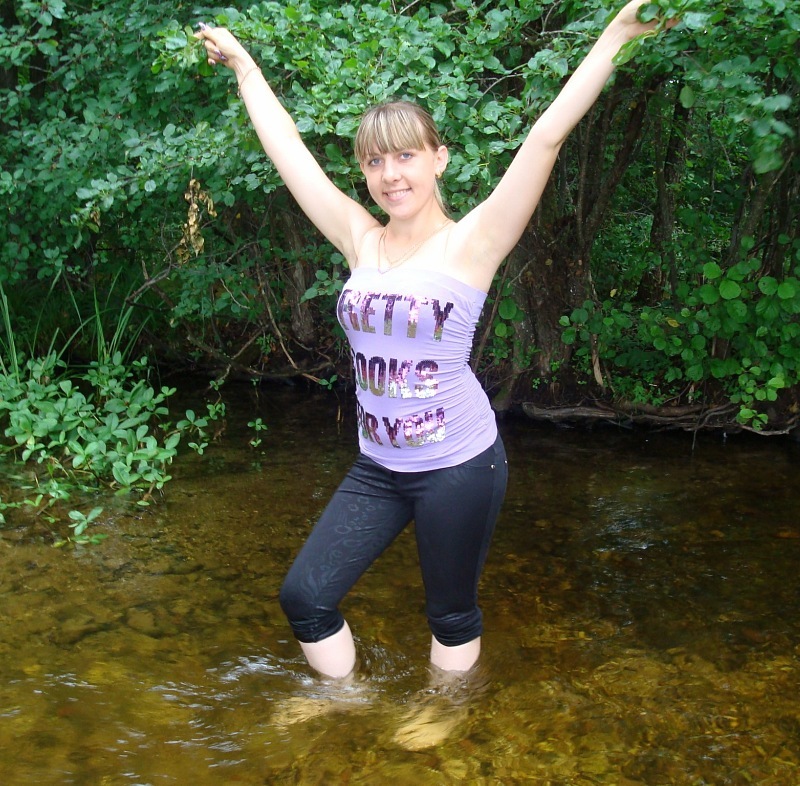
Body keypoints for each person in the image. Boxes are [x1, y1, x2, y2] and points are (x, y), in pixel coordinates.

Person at [196, 2, 674, 680]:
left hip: (459, 464)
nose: (391, 174)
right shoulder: (358, 238)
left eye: (405, 156)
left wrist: (617, 35)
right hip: (379, 466)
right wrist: (246, 69)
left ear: (439, 159)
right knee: (305, 597)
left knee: (449, 614)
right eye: (375, 161)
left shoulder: (473, 243)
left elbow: (544, 138)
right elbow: (289, 154)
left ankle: (446, 716)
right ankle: (346, 707)